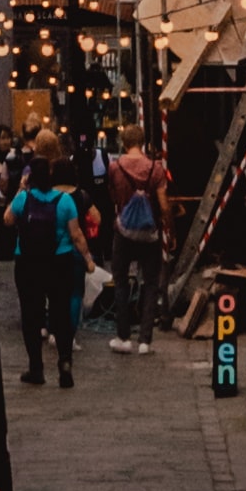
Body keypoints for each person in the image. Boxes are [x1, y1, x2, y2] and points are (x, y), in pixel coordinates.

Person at [9, 151, 87, 387]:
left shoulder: (24, 199)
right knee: (60, 312)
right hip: (58, 262)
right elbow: (76, 234)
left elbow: (7, 220)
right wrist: (88, 258)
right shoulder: (64, 201)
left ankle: (36, 368)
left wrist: (20, 190)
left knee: (31, 315)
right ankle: (64, 364)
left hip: (28, 262)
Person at [104, 130, 166, 354]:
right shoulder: (155, 168)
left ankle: (123, 336)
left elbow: (112, 196)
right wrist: (166, 226)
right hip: (149, 233)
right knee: (150, 283)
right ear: (144, 142)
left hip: (123, 231)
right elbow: (164, 204)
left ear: (123, 142)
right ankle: (145, 341)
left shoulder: (115, 168)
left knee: (120, 281)